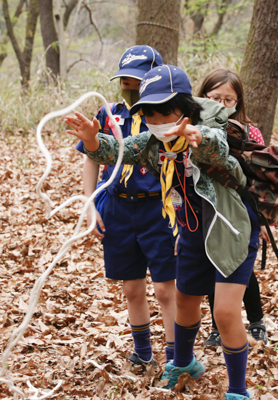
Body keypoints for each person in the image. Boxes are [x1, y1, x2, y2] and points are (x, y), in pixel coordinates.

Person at [66, 65, 258, 399]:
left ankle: (238, 391)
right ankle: (183, 364)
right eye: (149, 113)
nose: (157, 120)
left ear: (185, 107)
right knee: (185, 300)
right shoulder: (155, 140)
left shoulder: (211, 126)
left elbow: (220, 151)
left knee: (225, 312)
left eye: (166, 111)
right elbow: (117, 150)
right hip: (192, 232)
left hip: (231, 231)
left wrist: (198, 140)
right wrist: (92, 139)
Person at [74, 45, 177, 369]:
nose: (130, 87)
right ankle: (142, 351)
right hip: (119, 209)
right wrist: (90, 203)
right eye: (125, 80)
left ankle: (176, 356)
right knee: (132, 287)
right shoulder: (110, 114)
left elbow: (181, 172)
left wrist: (181, 217)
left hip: (159, 211)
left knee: (164, 289)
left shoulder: (165, 119)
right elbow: (92, 157)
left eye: (138, 80)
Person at [196, 68, 268, 347]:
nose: (223, 105)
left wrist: (263, 222)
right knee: (216, 266)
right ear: (203, 96)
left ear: (238, 102)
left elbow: (263, 181)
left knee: (241, 270)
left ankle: (257, 321)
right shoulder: (196, 131)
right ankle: (217, 326)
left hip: (244, 212)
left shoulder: (250, 132)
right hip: (209, 211)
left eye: (229, 100)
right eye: (215, 98)